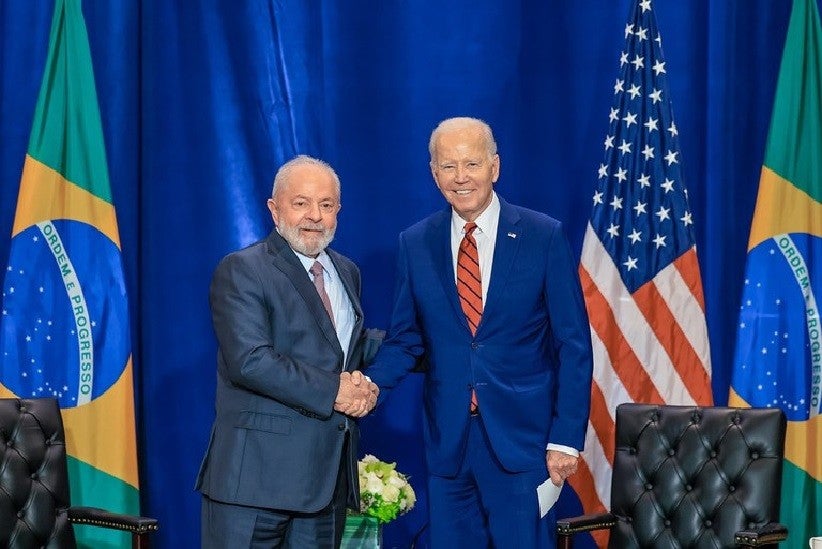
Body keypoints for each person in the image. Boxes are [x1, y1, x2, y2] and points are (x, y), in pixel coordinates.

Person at [365, 117, 593, 548]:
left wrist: (566, 438)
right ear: (434, 174)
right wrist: (371, 385)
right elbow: (406, 338)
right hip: (449, 443)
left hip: (523, 444)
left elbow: (573, 344)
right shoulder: (415, 243)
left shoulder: (542, 236)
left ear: (495, 167)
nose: (460, 177)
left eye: (471, 163)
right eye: (448, 167)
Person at [196, 155, 379, 548]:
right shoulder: (242, 268)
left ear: (338, 212)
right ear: (274, 208)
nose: (314, 215)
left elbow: (345, 348)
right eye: (301, 203)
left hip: (324, 487)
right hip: (253, 489)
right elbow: (250, 360)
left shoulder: (347, 271)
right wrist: (337, 391)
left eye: (326, 205)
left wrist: (426, 347)